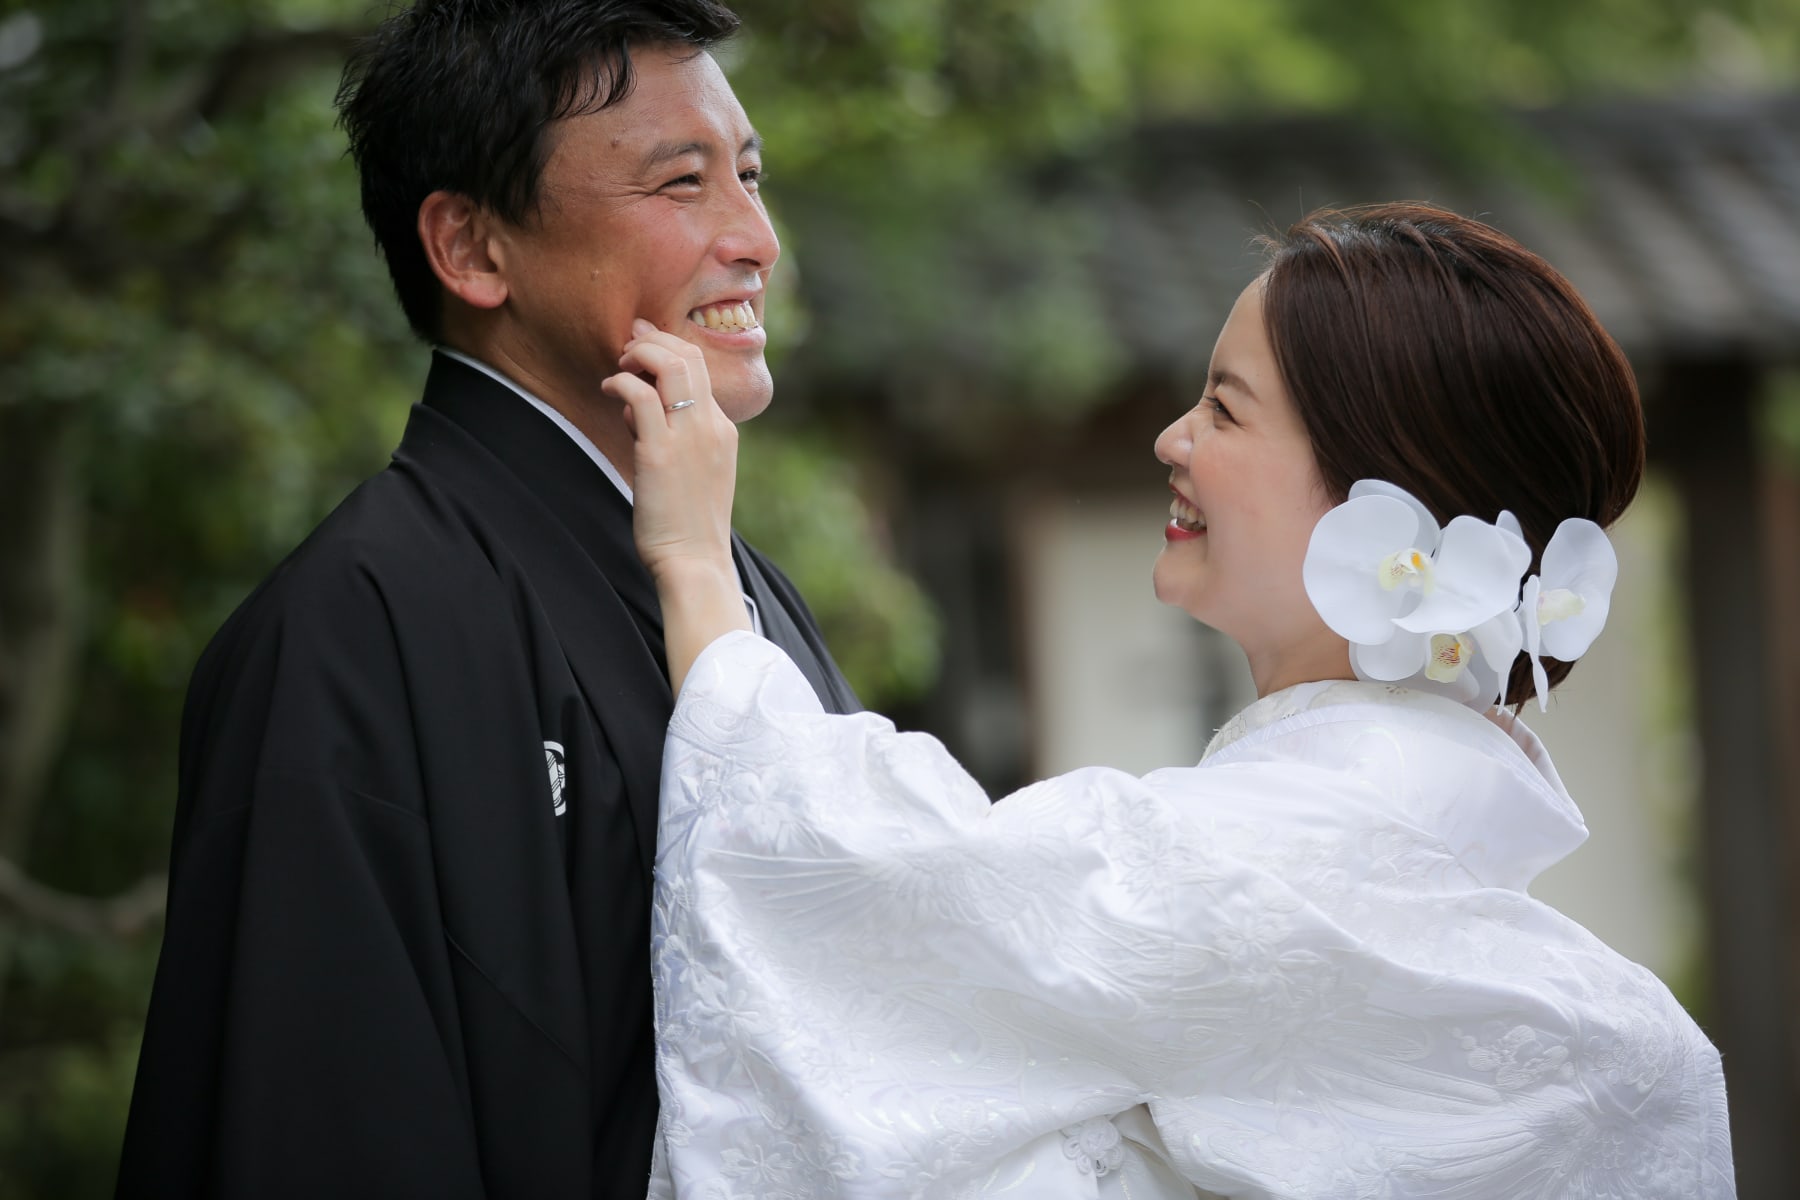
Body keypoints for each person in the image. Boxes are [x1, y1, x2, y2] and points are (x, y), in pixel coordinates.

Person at [615, 204, 1736, 1197]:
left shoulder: (1258, 867)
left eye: (1225, 411)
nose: (1172, 439)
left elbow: (856, 876)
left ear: (1383, 496)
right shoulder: (1620, 1034)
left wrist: (696, 561)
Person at [116, 2, 857, 1196]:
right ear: (471, 248)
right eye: (682, 182)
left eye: (750, 175)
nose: (756, 237)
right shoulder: (353, 625)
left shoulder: (738, 590)